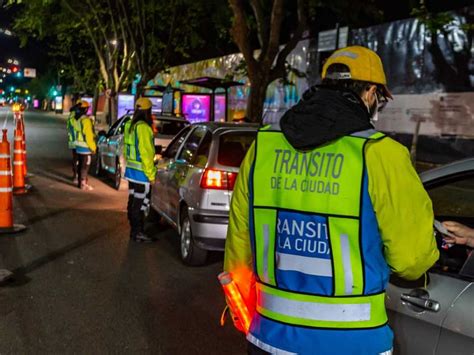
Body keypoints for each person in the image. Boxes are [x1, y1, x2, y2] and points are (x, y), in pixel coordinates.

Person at [223, 46, 439, 355]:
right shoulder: (381, 154)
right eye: (379, 98)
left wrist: (250, 319)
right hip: (353, 343)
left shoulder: (263, 147)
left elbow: (239, 246)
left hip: (268, 337)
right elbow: (411, 259)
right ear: (370, 93)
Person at [123, 97, 157, 243]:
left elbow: (127, 149)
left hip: (131, 171)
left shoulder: (130, 125)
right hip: (142, 173)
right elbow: (146, 153)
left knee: (133, 201)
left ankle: (134, 231)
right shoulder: (143, 128)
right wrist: (151, 175)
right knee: (140, 204)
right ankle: (138, 232)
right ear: (147, 111)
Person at [74, 100, 96, 190]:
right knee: (85, 166)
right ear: (86, 109)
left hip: (78, 146)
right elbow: (89, 136)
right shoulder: (86, 120)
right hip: (85, 147)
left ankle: (80, 183)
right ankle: (83, 184)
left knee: (80, 165)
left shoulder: (77, 119)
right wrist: (93, 148)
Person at [67, 101, 80, 184]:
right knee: (79, 159)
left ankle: (75, 175)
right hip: (78, 140)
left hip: (72, 140)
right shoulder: (77, 117)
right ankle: (76, 175)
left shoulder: (71, 116)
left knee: (75, 158)